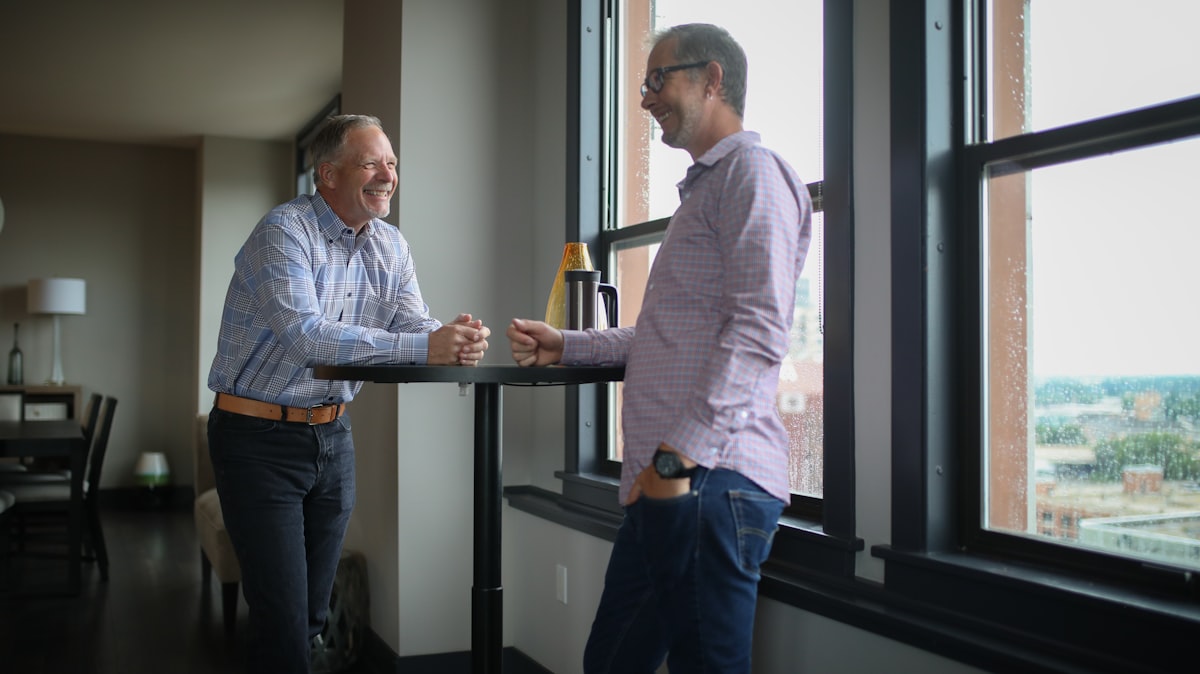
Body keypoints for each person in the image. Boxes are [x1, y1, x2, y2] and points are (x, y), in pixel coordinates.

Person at [507, 24, 812, 673]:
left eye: (656, 79)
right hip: (671, 484)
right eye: (642, 84)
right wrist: (567, 345)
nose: (644, 98)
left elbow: (760, 328)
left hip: (707, 481)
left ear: (713, 79)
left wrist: (676, 463)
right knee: (612, 663)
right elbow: (665, 339)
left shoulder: (752, 173)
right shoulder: (705, 191)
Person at [206, 114, 490, 673]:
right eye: (371, 162)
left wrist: (451, 339)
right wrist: (425, 347)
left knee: (310, 614)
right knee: (283, 622)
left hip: (333, 437)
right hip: (256, 440)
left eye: (392, 163)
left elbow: (412, 325)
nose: (388, 174)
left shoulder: (389, 244)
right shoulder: (283, 231)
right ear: (327, 174)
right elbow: (307, 336)